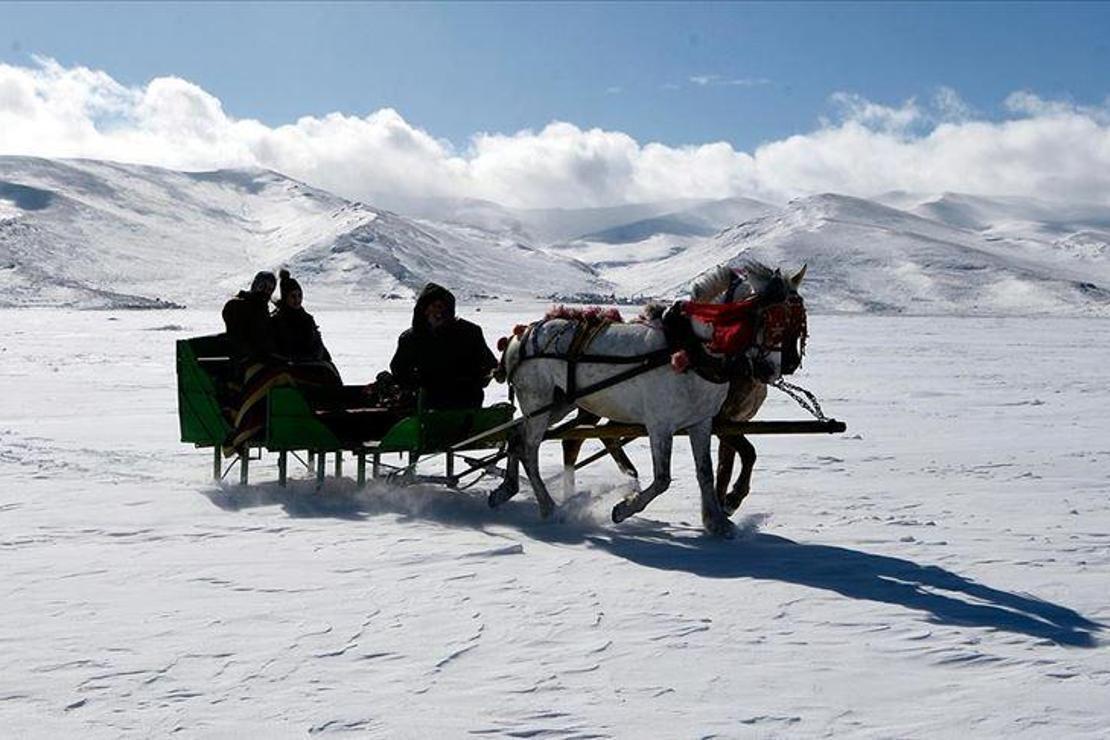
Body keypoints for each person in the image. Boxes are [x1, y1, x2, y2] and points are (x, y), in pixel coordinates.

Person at [389, 282, 497, 410]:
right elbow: (399, 371)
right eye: (434, 307)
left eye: (443, 308)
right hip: (426, 407)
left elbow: (489, 364)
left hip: (466, 404)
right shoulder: (410, 339)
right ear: (423, 309)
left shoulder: (470, 333)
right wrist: (419, 384)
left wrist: (473, 380)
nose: (438, 312)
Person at [221, 270, 277, 378]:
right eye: (262, 286)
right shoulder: (237, 305)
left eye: (270, 289)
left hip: (265, 360)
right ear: (255, 285)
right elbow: (238, 338)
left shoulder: (265, 310)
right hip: (245, 363)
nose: (265, 291)